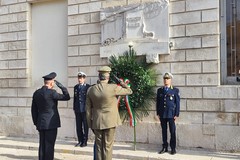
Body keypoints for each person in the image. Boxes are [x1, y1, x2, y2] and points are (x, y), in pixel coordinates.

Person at [86, 66, 133, 160]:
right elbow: (129, 91)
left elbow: (87, 110)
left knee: (99, 146)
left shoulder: (91, 89)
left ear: (99, 77)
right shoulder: (113, 87)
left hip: (97, 121)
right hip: (110, 122)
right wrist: (121, 82)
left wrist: (90, 124)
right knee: (108, 146)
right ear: (108, 77)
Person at [31, 72, 70, 160]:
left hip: (41, 122)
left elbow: (33, 109)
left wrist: (36, 122)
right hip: (51, 124)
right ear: (52, 83)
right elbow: (67, 97)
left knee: (42, 145)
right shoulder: (52, 93)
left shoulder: (36, 93)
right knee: (49, 145)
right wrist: (62, 87)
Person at [156, 72, 180, 155]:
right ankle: (164, 147)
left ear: (171, 80)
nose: (166, 80)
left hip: (171, 114)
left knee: (172, 131)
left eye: (168, 79)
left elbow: (177, 103)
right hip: (162, 114)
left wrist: (176, 114)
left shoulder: (175, 90)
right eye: (165, 79)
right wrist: (158, 113)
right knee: (164, 131)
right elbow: (158, 102)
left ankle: (173, 148)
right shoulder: (160, 90)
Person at [73, 71, 91, 147]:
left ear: (84, 79)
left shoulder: (88, 87)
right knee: (78, 126)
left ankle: (85, 141)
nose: (80, 79)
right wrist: (74, 107)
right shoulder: (76, 87)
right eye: (79, 78)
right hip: (77, 109)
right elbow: (75, 98)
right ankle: (80, 140)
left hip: (85, 109)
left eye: (81, 78)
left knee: (85, 126)